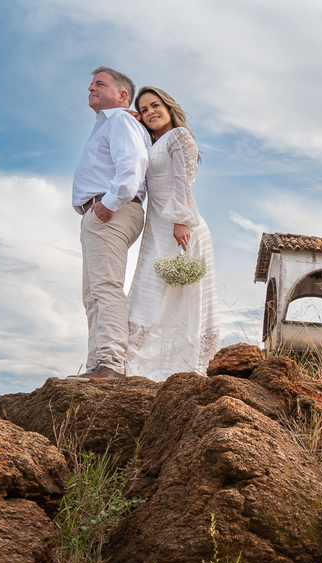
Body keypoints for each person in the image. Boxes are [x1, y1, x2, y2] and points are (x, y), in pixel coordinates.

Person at [124, 86, 220, 380]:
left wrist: (181, 220)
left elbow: (183, 179)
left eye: (155, 106)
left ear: (169, 108)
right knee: (147, 292)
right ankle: (134, 366)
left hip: (182, 226)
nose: (150, 112)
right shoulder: (153, 142)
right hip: (157, 227)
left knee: (179, 297)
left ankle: (190, 368)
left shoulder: (179, 136)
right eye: (143, 110)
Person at [71, 67, 149, 380]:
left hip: (111, 210)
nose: (91, 88)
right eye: (90, 83)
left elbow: (132, 166)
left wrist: (109, 203)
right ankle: (98, 364)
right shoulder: (113, 122)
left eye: (99, 84)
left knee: (105, 288)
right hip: (101, 212)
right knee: (92, 294)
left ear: (122, 95)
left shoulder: (119, 119)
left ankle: (112, 364)